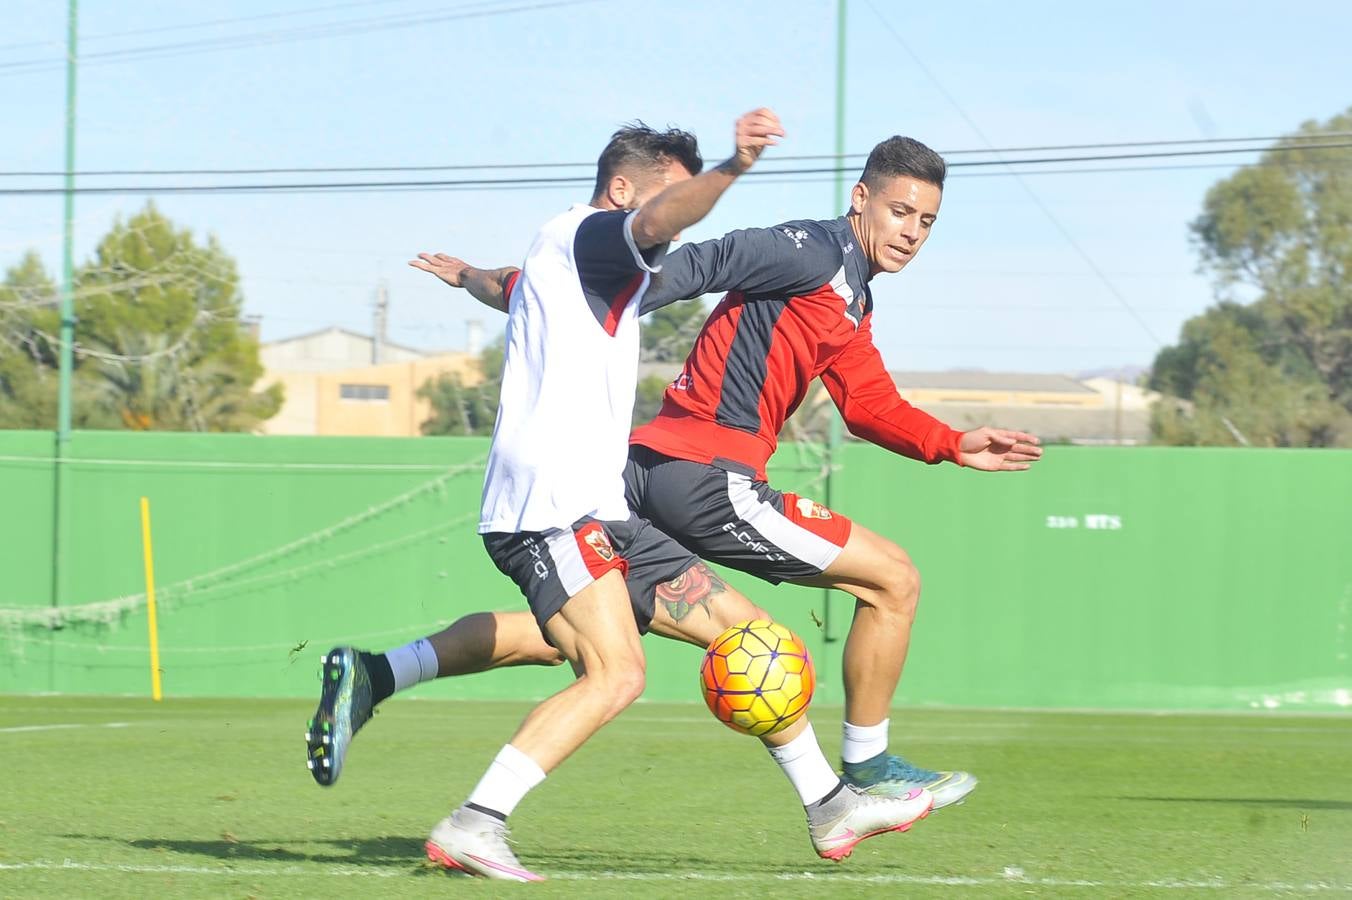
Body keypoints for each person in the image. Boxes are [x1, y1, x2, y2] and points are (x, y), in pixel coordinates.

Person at [307, 112, 934, 882]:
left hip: (597, 504)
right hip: (551, 507)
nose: (667, 220)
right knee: (616, 672)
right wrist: (732, 168)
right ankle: (475, 822)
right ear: (621, 189)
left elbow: (508, 285)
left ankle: (828, 805)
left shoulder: (582, 268)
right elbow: (664, 217)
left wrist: (468, 275)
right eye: (662, 199)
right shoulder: (589, 234)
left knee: (749, 639)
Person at [393, 135, 1043, 810]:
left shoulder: (850, 298)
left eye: (926, 222)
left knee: (581, 637)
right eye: (900, 211)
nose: (910, 232)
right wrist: (623, 289)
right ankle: (866, 769)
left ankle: (382, 673)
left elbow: (869, 405)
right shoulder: (811, 249)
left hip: (643, 472)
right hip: (704, 478)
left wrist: (951, 442)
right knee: (894, 582)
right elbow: (709, 260)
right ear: (861, 199)